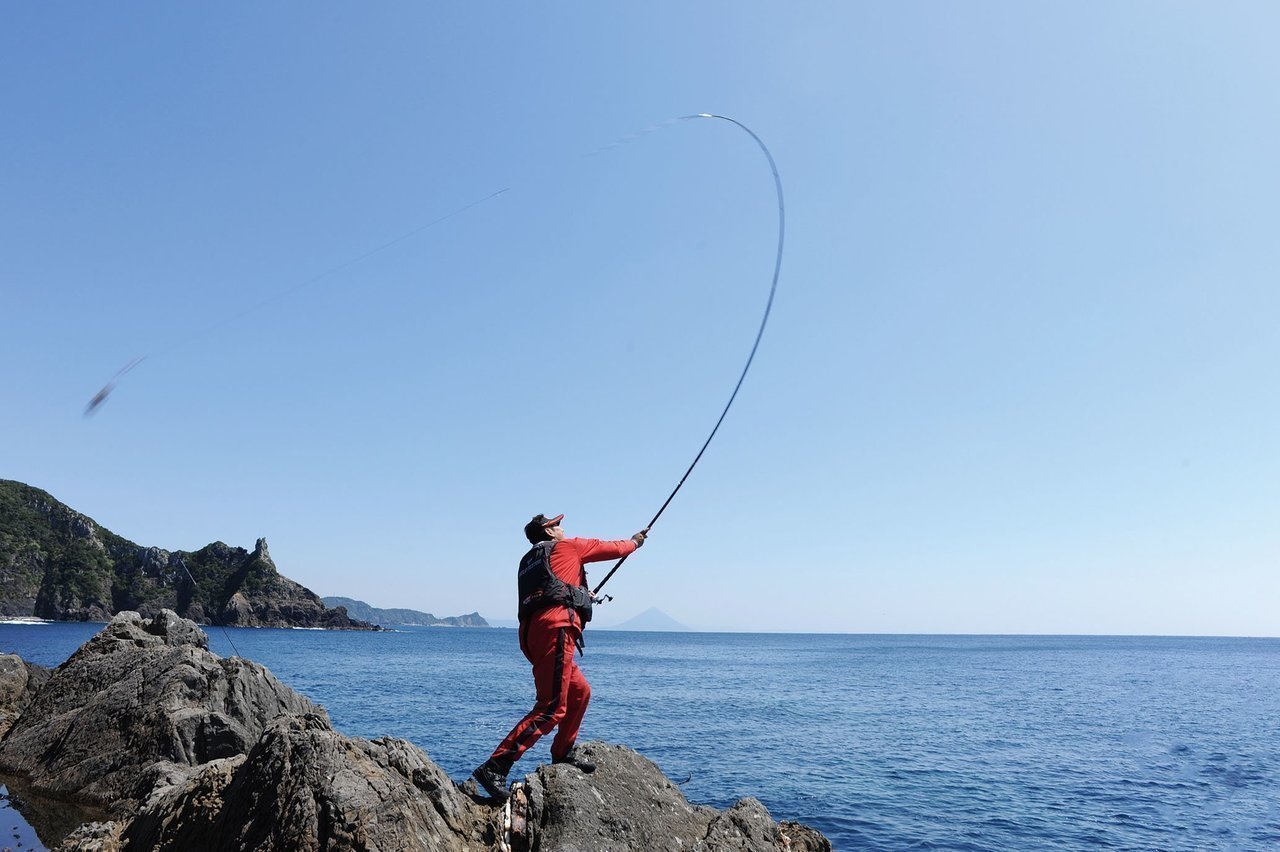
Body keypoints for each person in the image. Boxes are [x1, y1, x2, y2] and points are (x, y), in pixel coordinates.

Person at [471, 512, 646, 802]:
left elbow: (552, 589)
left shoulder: (529, 561)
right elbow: (613, 548)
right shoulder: (568, 547)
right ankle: (496, 766)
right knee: (551, 707)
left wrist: (580, 595)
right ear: (549, 532)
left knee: (580, 692)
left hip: (532, 634)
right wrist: (635, 542)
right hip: (556, 628)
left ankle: (562, 752)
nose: (562, 528)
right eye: (557, 525)